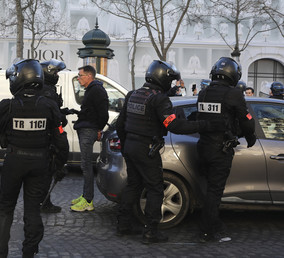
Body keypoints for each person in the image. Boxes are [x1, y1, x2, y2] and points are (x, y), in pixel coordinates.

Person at [115, 60, 224, 244]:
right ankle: (151, 232)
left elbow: (120, 125)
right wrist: (204, 125)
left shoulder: (134, 94)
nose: (171, 84)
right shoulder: (158, 99)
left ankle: (123, 224)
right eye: (170, 81)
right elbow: (173, 125)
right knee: (155, 189)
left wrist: (126, 147)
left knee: (133, 185)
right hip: (146, 148)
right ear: (161, 78)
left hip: (131, 146)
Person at [0, 59, 69, 258]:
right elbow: (61, 139)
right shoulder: (50, 105)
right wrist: (60, 165)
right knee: (33, 210)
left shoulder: (7, 105)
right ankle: (29, 252)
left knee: (6, 208)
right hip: (40, 163)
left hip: (14, 161)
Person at [196, 57, 256, 243]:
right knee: (215, 191)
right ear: (233, 75)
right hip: (220, 149)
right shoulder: (233, 94)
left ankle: (212, 224)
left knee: (209, 190)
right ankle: (209, 232)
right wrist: (250, 137)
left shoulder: (204, 93)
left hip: (203, 147)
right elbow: (246, 119)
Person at [70, 65, 109, 212]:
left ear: (89, 76)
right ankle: (86, 195)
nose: (78, 78)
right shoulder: (92, 90)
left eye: (80, 75)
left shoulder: (97, 90)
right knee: (85, 165)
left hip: (89, 130)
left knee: (86, 166)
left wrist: (98, 128)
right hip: (87, 129)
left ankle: (88, 201)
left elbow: (103, 114)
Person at [39, 59, 67, 213]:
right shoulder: (47, 92)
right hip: (49, 137)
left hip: (46, 136)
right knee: (46, 172)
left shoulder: (47, 89)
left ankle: (43, 201)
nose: (57, 75)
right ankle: (44, 202)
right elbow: (53, 116)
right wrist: (62, 117)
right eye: (55, 72)